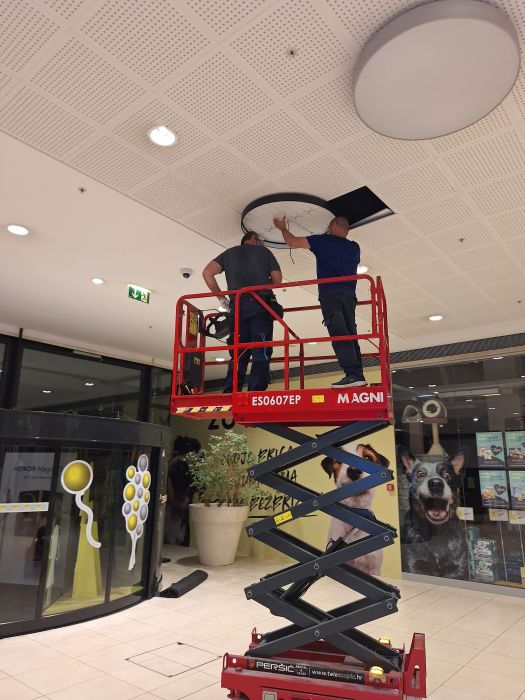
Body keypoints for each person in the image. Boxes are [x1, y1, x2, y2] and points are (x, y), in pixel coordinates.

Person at [273, 215, 366, 387]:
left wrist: (282, 228)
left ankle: (353, 375)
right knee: (350, 333)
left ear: (334, 225)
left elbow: (292, 241)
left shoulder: (324, 241)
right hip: (349, 296)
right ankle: (357, 374)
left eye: (330, 226)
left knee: (339, 331)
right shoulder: (355, 247)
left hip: (331, 294)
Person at [202, 231, 282, 392]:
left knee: (238, 352)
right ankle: (255, 392)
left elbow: (207, 273)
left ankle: (231, 391)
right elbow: (277, 279)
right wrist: (264, 283)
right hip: (260, 306)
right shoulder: (264, 252)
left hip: (237, 307)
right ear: (254, 239)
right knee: (261, 350)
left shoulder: (229, 253)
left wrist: (221, 297)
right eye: (259, 241)